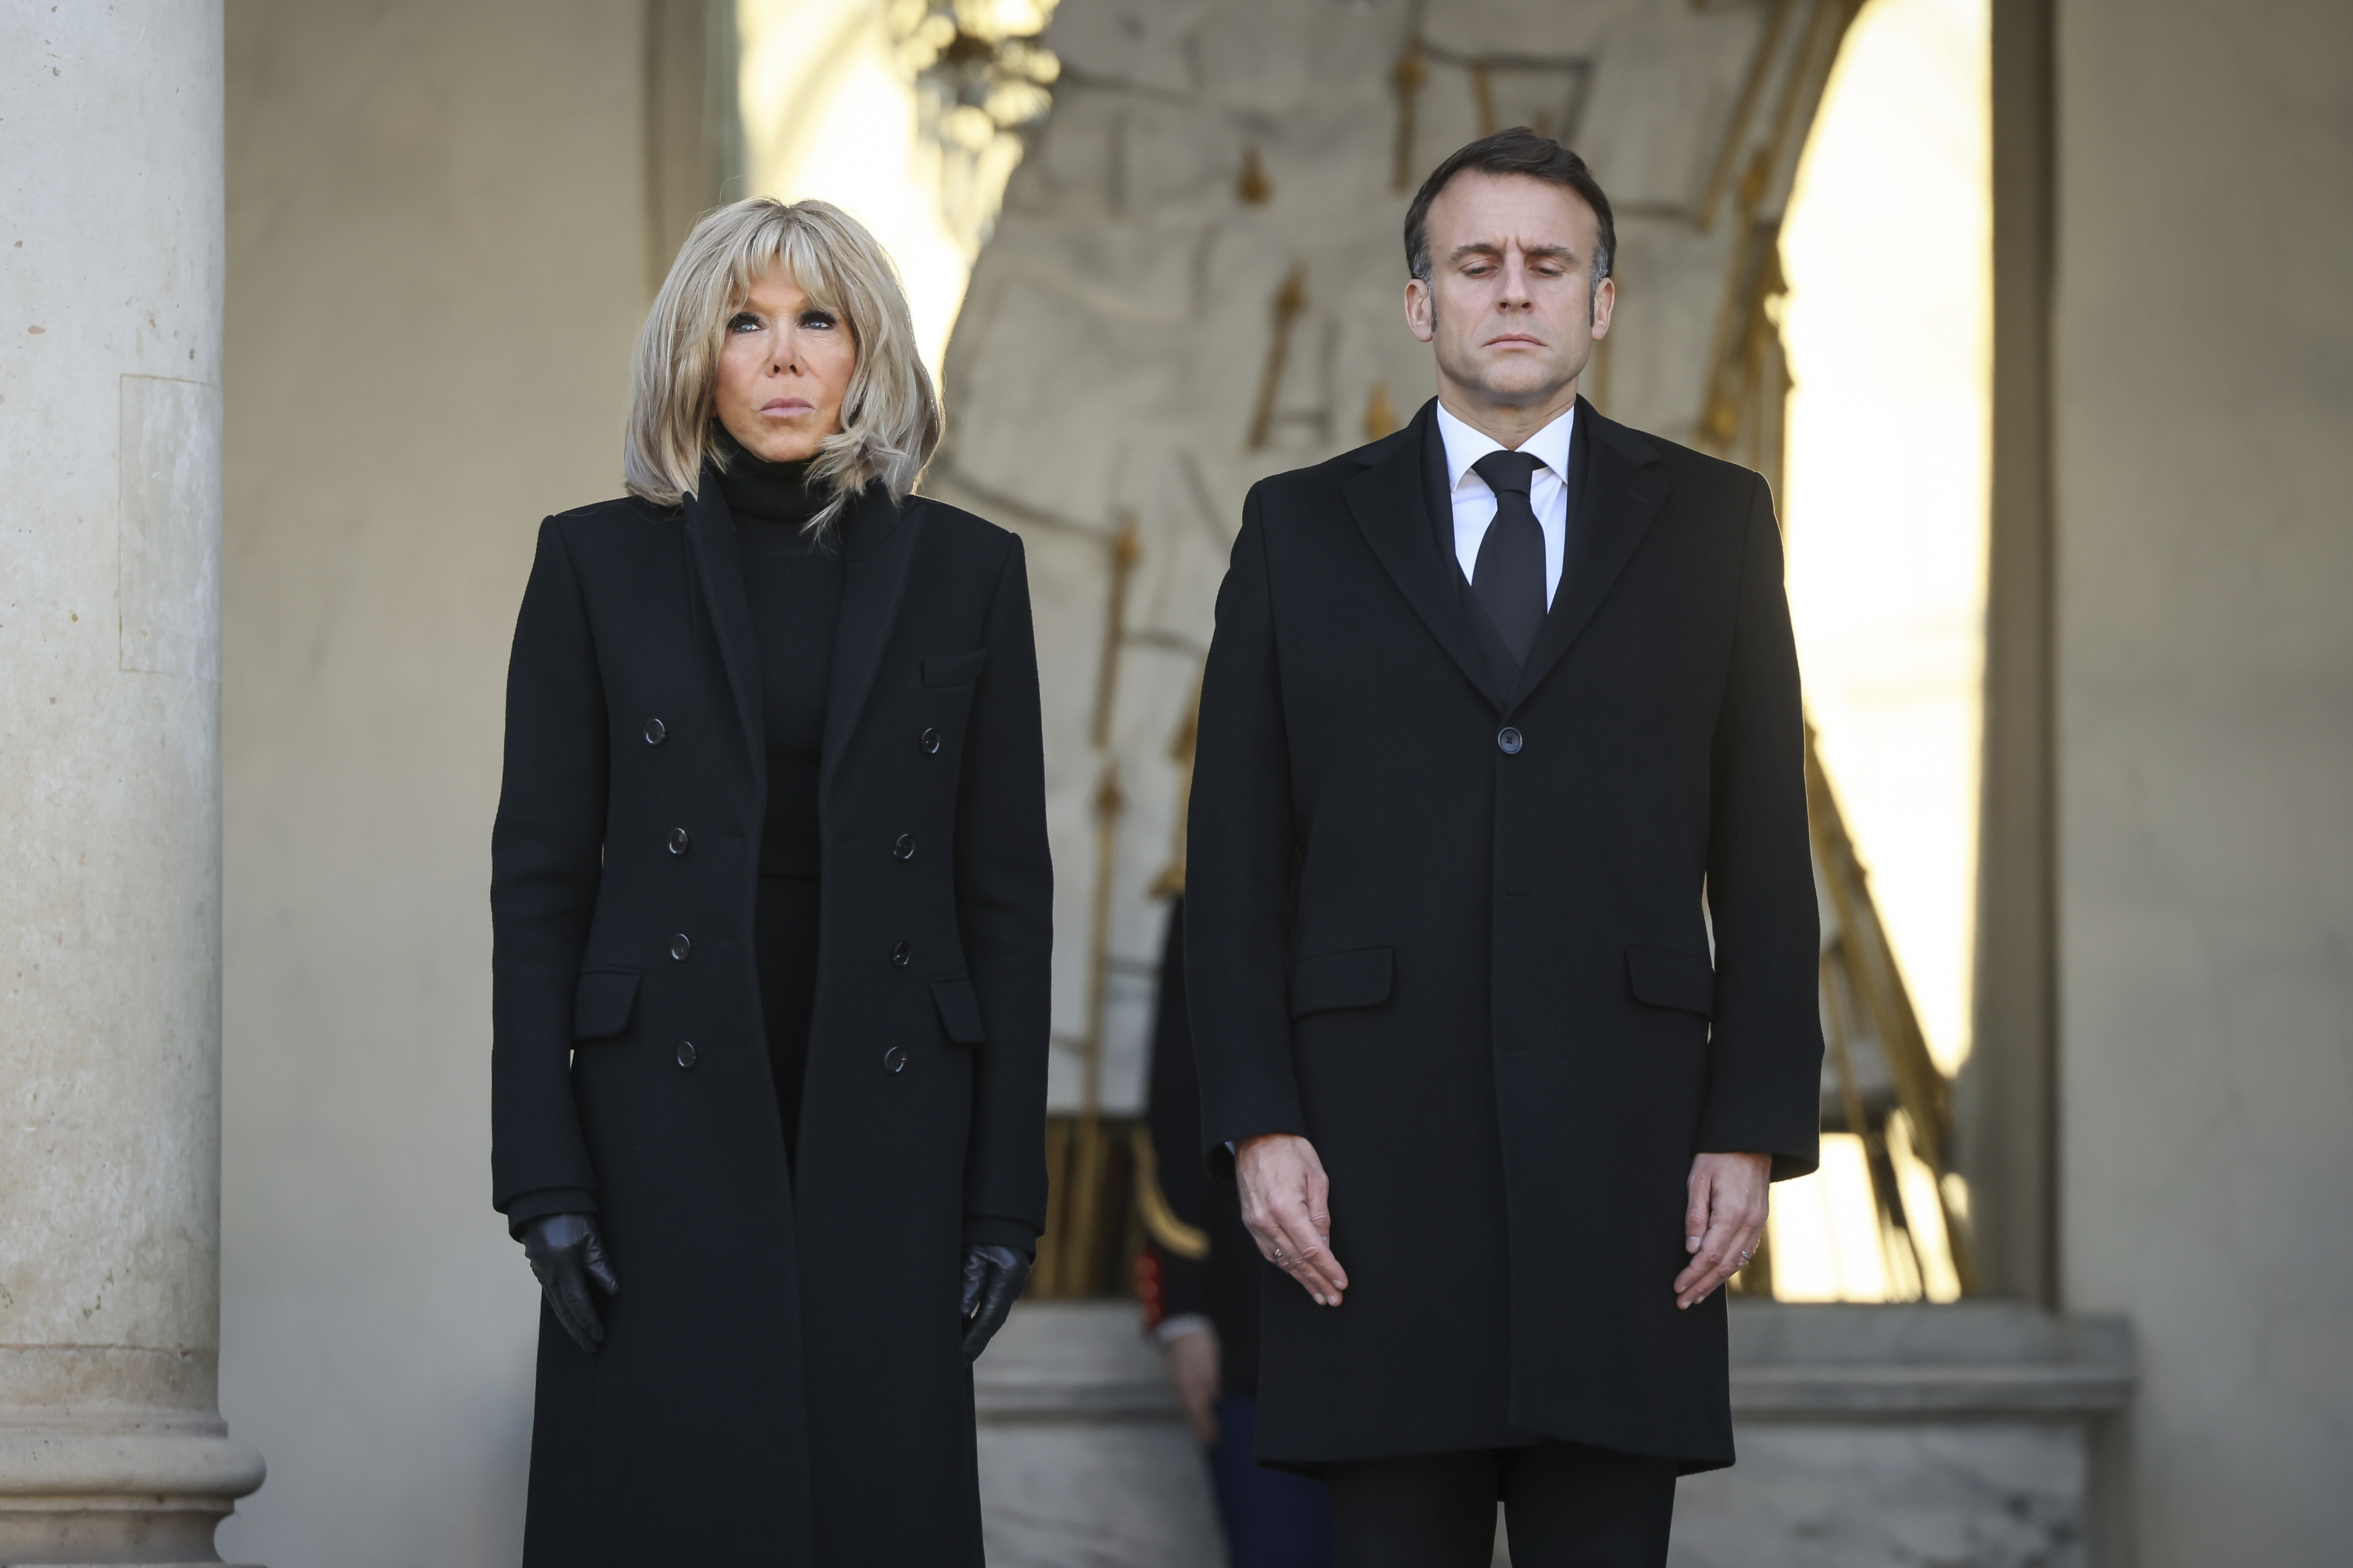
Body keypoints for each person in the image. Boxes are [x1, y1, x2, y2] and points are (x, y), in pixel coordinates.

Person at [1184, 129, 1824, 1568]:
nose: (1514, 291)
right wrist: (1257, 1118)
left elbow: (1766, 857)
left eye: (1551, 265)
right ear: (1422, 301)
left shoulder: (1717, 524)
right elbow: (1232, 861)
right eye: (1478, 264)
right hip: (1368, 1179)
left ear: (1604, 300)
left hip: (1633, 1169)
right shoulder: (1297, 532)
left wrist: (1751, 1123)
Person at [490, 196, 1052, 1565]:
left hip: (891, 1111)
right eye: (747, 322)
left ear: (870, 356)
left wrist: (1002, 1196)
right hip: (657, 1125)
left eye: (819, 322)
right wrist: (541, 1173)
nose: (785, 356)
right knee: (668, 1504)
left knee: (873, 1505)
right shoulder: (593, 564)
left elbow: (1005, 898)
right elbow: (539, 882)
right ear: (698, 353)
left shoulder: (971, 573)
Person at [1141, 898, 1336, 1568]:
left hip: (1423, 1327)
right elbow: (1175, 1109)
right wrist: (1182, 1313)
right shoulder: (1217, 904)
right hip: (1255, 1321)